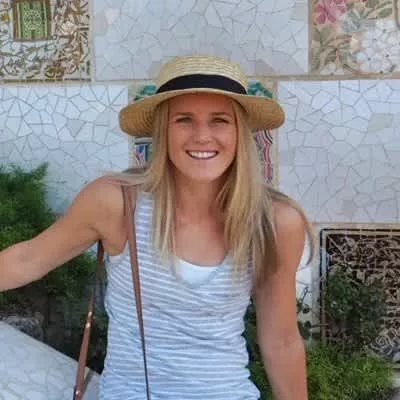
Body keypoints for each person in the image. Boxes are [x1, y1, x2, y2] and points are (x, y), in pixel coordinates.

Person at [0, 55, 314, 400]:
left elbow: (281, 340)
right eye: (184, 120)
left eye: (219, 120)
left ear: (240, 131)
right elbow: (28, 259)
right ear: (163, 130)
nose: (202, 136)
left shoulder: (274, 222)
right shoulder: (118, 203)